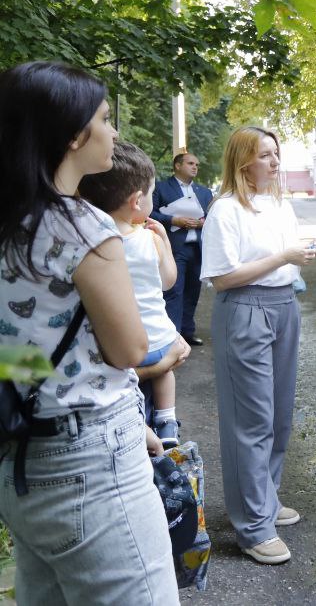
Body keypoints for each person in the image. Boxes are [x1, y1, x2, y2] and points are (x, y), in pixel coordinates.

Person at [0, 61, 178, 603]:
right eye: (104, 118)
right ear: (75, 135)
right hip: (90, 466)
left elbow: (17, 352)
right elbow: (130, 350)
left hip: (21, 457)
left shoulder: (11, 218)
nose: (114, 130)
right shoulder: (86, 227)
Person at [201, 126, 316, 565]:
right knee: (252, 421)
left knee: (279, 415)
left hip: (285, 305)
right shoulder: (225, 210)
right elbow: (222, 277)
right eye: (265, 155)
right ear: (242, 161)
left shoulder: (278, 205)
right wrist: (283, 258)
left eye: (276, 154)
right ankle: (253, 526)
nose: (274, 162)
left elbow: (284, 257)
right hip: (245, 309)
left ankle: (264, 500)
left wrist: (300, 254)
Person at [79, 141, 191, 449]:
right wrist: (164, 242)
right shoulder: (148, 238)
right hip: (159, 340)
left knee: (132, 400)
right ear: (136, 201)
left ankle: (140, 427)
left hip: (114, 352)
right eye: (152, 193)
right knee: (164, 375)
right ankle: (167, 420)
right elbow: (169, 281)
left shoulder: (89, 243)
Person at [152, 152, 212, 346]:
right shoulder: (161, 188)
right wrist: (173, 220)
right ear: (177, 165)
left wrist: (204, 222)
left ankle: (188, 332)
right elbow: (149, 214)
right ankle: (172, 335)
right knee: (174, 292)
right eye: (190, 163)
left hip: (198, 249)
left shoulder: (204, 192)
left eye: (197, 164)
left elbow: (212, 218)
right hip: (175, 247)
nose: (195, 167)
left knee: (193, 292)